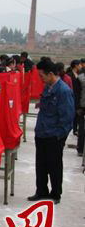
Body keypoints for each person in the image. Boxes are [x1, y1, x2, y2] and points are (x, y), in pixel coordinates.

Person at [27, 59, 74, 205]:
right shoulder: (48, 87)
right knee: (41, 164)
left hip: (54, 135)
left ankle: (55, 193)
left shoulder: (63, 91)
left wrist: (59, 136)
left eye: (42, 76)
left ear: (51, 74)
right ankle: (41, 191)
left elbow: (67, 117)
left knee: (54, 165)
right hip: (42, 132)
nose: (41, 79)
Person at [68, 60, 82, 136]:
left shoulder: (79, 74)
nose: (80, 66)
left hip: (77, 97)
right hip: (72, 96)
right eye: (79, 65)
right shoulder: (70, 75)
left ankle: (75, 129)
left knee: (77, 114)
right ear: (76, 65)